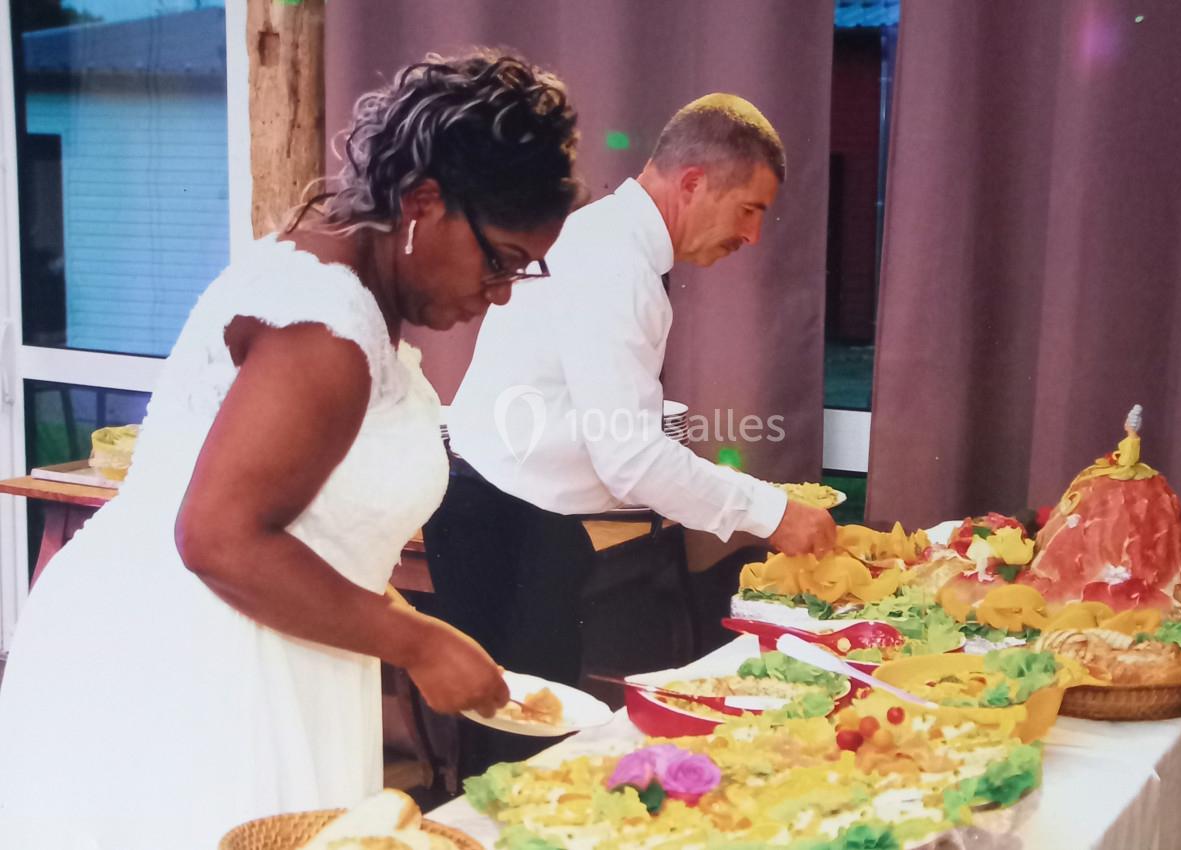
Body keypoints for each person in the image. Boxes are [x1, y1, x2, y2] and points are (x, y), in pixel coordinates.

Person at [0, 50, 581, 850]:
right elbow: (218, 538)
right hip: (193, 671)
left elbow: (307, 519)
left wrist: (400, 617)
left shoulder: (353, 281)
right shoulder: (324, 327)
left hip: (264, 648)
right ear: (424, 202)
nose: (504, 291)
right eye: (501, 259)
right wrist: (417, 642)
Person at [425, 93, 837, 770]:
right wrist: (771, 513)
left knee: (529, 750)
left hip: (518, 516)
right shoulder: (616, 263)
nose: (754, 237)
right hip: (501, 523)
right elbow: (630, 459)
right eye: (750, 211)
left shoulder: (611, 243)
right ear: (695, 182)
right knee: (523, 763)